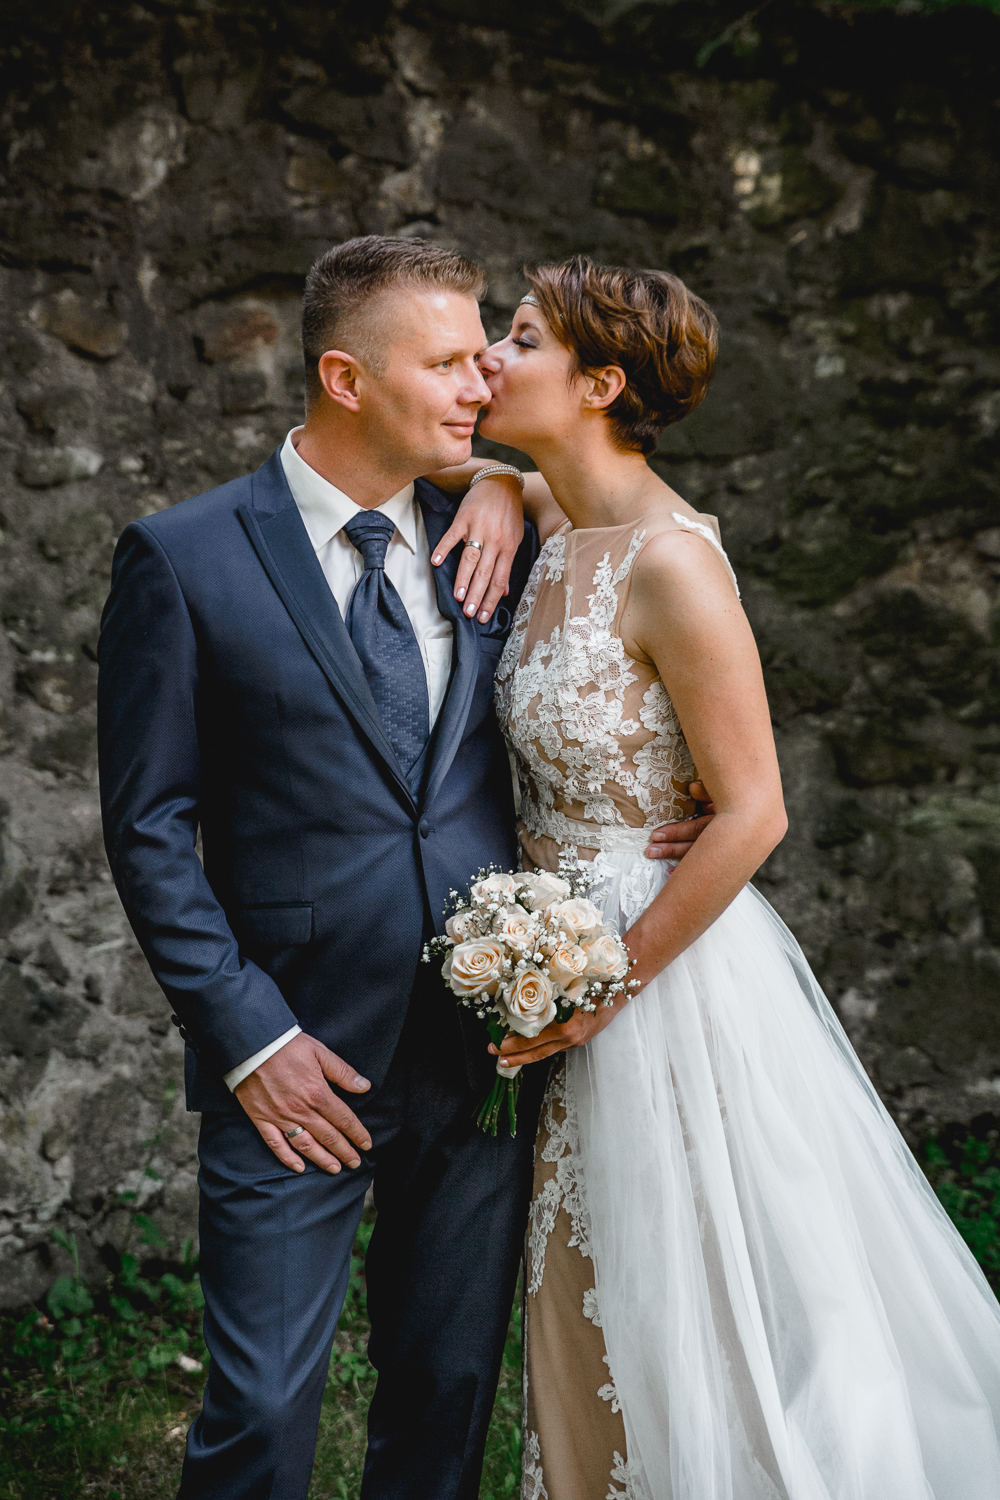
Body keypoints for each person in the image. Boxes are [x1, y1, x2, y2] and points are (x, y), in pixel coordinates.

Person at [97, 235, 708, 1500]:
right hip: (295, 1060)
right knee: (260, 1407)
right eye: (443, 363)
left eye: (486, 349)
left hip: (479, 1053)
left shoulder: (501, 532)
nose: (481, 378)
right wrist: (249, 1040)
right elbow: (148, 825)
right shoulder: (183, 558)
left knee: (443, 1400)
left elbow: (643, 578)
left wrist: (696, 791)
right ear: (343, 377)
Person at [468, 256, 1000, 1500]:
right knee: (581, 1294)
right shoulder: (558, 516)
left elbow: (753, 810)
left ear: (600, 383)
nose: (492, 354)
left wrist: (613, 982)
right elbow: (420, 450)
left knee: (684, 1304)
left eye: (522, 337)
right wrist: (497, 484)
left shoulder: (670, 562)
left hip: (655, 974)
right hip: (547, 960)